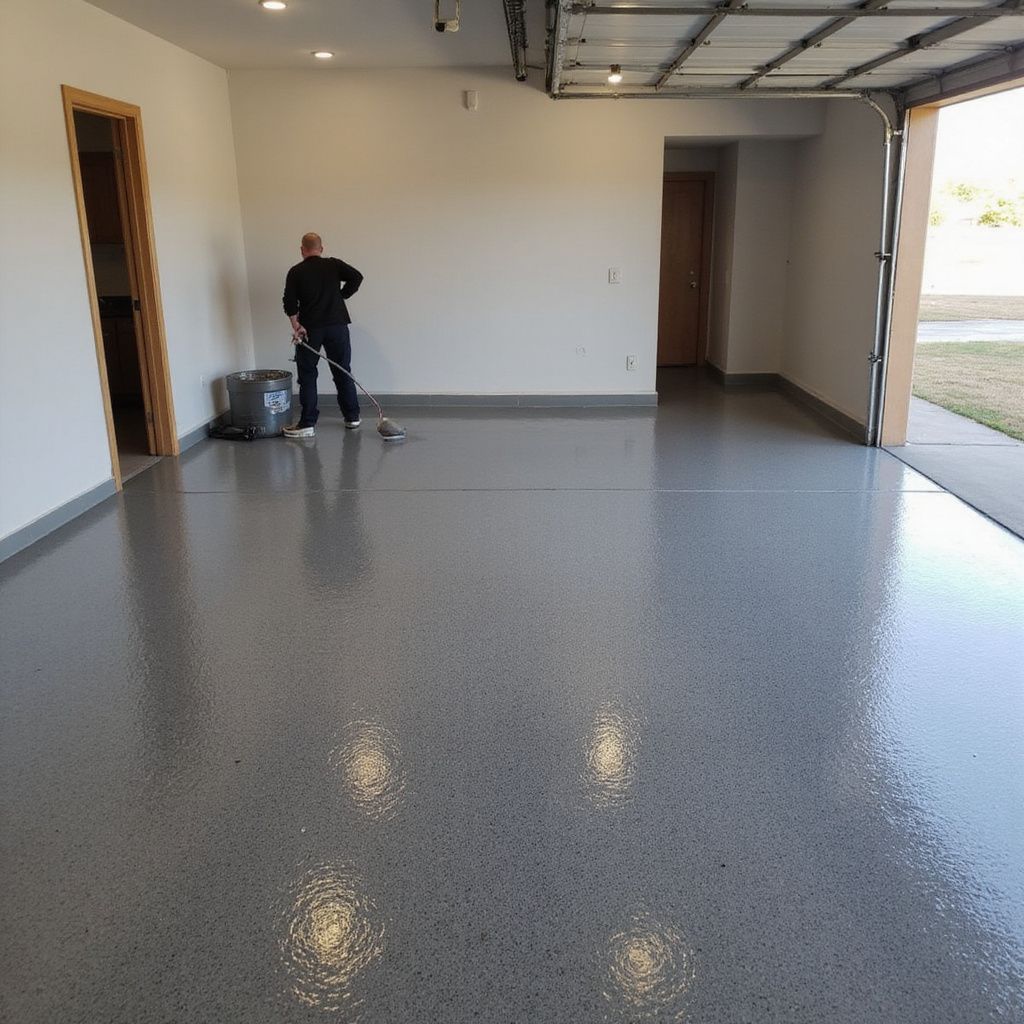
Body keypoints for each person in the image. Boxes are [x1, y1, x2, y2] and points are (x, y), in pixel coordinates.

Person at [282, 232, 364, 438]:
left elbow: (289, 301)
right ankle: (352, 417)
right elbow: (357, 277)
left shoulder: (296, 271)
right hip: (337, 325)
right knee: (342, 370)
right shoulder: (333, 265)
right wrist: (341, 296)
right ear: (321, 249)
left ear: (302, 250)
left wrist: (296, 326)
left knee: (308, 374)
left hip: (310, 328)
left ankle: (307, 423)